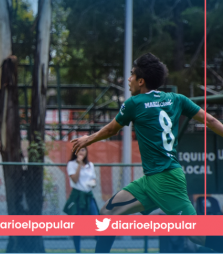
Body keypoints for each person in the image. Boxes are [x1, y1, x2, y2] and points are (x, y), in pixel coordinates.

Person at [71, 53, 223, 253]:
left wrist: (86, 139)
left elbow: (111, 130)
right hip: (151, 180)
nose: (128, 79)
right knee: (107, 213)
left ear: (141, 81)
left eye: (132, 75)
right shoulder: (177, 99)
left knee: (196, 234)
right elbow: (211, 121)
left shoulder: (135, 103)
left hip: (167, 181)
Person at [63, 147, 99, 253]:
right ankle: (77, 251)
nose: (81, 152)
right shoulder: (71, 164)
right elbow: (74, 179)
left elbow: (93, 178)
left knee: (97, 221)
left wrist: (93, 183)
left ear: (86, 151)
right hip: (77, 196)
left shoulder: (90, 165)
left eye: (83, 149)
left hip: (88, 195)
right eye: (79, 150)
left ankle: (100, 250)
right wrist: (79, 164)